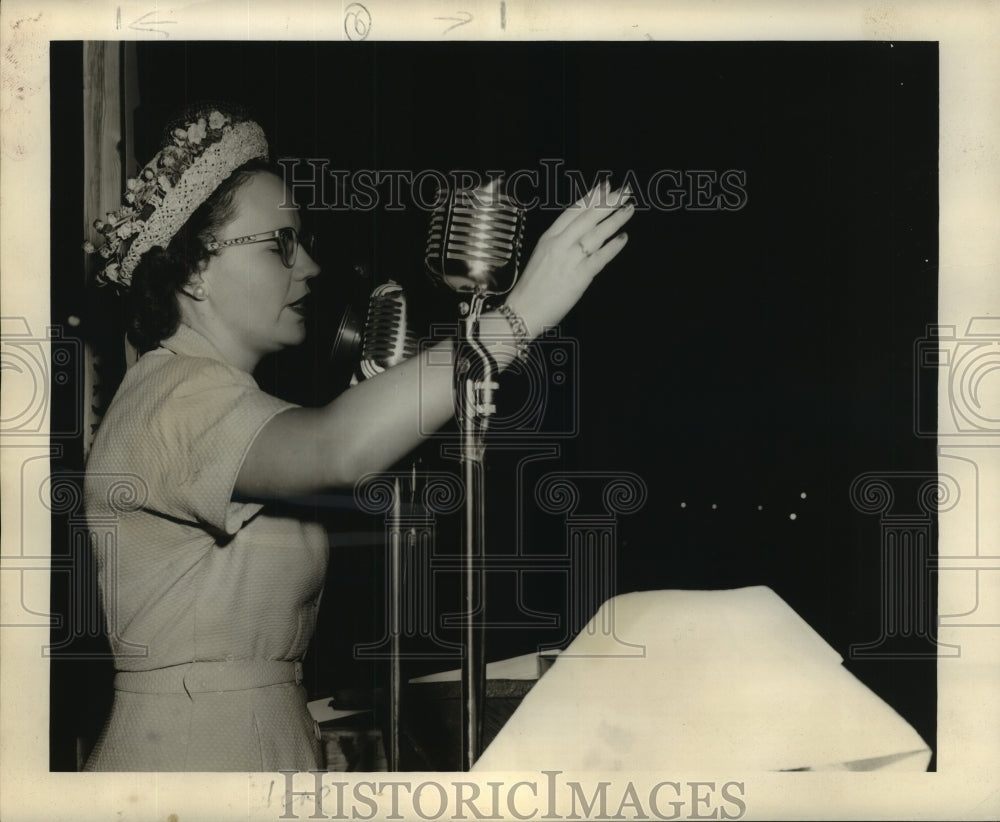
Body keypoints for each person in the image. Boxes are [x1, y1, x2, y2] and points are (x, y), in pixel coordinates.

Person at [81, 103, 634, 771]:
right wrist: (516, 320)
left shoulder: (228, 404)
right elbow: (336, 450)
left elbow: (345, 463)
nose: (309, 267)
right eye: (281, 244)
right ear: (195, 271)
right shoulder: (172, 396)